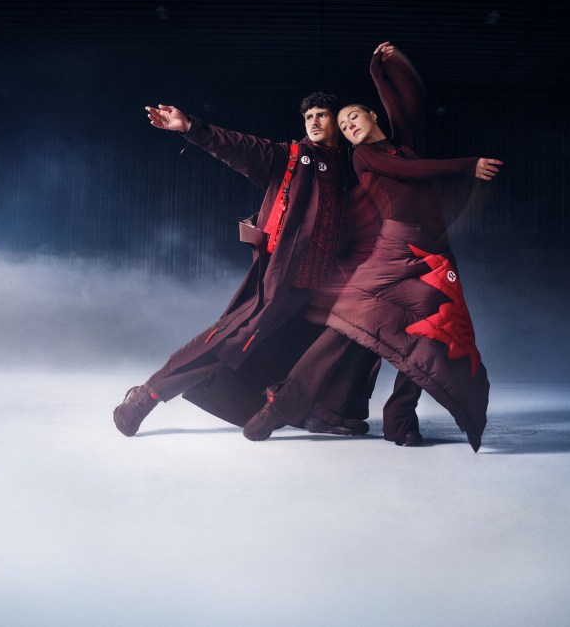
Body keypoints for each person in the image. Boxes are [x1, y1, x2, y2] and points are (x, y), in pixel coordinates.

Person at [243, 43, 500, 452]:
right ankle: (279, 405)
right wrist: (465, 164)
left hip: (433, 256)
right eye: (342, 126)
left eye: (353, 117)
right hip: (390, 255)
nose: (348, 127)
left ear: (372, 115)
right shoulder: (365, 157)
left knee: (429, 338)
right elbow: (409, 171)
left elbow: (408, 107)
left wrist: (381, 69)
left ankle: (400, 422)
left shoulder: (403, 142)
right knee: (346, 331)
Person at [112, 93, 380, 437]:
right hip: (287, 280)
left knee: (363, 332)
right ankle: (146, 395)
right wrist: (191, 126)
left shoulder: (351, 169)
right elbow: (239, 146)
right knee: (231, 341)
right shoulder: (291, 157)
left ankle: (327, 413)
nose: (313, 122)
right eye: (308, 116)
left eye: (322, 115)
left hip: (331, 284)